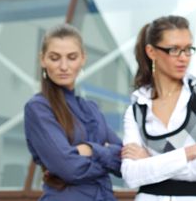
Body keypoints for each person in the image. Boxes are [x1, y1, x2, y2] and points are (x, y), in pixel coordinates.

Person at [121, 15, 196, 200]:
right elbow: (131, 175)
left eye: (188, 49)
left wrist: (150, 163)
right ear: (151, 51)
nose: (184, 58)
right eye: (174, 50)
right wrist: (189, 153)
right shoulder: (137, 109)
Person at [24, 24, 122, 200]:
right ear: (42, 60)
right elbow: (69, 168)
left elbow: (125, 160)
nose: (64, 66)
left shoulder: (91, 109)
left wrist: (90, 150)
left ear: (83, 58)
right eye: (54, 58)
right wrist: (105, 154)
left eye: (72, 57)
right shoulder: (38, 108)